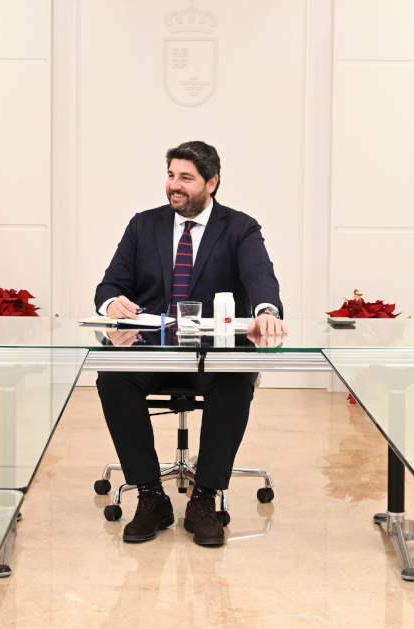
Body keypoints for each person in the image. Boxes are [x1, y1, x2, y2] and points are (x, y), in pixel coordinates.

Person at [94, 140, 287, 546]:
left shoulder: (240, 228)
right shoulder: (143, 225)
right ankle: (151, 496)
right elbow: (109, 286)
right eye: (171, 176)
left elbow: (260, 277)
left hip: (211, 353)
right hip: (153, 349)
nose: (174, 186)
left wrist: (267, 310)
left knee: (236, 379)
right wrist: (113, 303)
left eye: (186, 178)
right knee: (112, 377)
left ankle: (203, 500)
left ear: (211, 183)